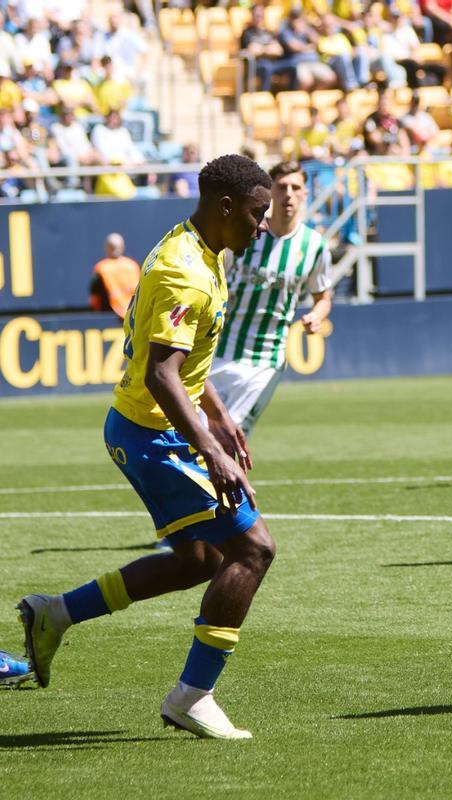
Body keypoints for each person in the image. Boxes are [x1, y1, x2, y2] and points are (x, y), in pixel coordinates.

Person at [16, 154, 275, 740]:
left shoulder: (195, 246)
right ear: (226, 206)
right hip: (154, 436)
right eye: (257, 214)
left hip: (146, 428)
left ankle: (55, 613)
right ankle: (192, 695)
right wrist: (210, 447)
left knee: (200, 561)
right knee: (254, 550)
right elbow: (162, 372)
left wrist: (220, 412)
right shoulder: (186, 269)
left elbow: (177, 357)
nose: (263, 225)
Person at [210, 161, 334, 438]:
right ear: (270, 192)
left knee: (231, 437)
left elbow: (323, 297)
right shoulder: (246, 233)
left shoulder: (315, 247)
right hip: (220, 350)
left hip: (266, 360)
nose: (288, 194)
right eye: (281, 187)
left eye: (295, 187)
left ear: (305, 193)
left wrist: (317, 315)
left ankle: (229, 483)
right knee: (197, 433)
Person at [89, 232, 140, 319]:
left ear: (106, 248)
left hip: (110, 316)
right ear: (122, 247)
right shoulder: (133, 266)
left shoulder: (102, 268)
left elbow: (95, 297)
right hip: (134, 314)